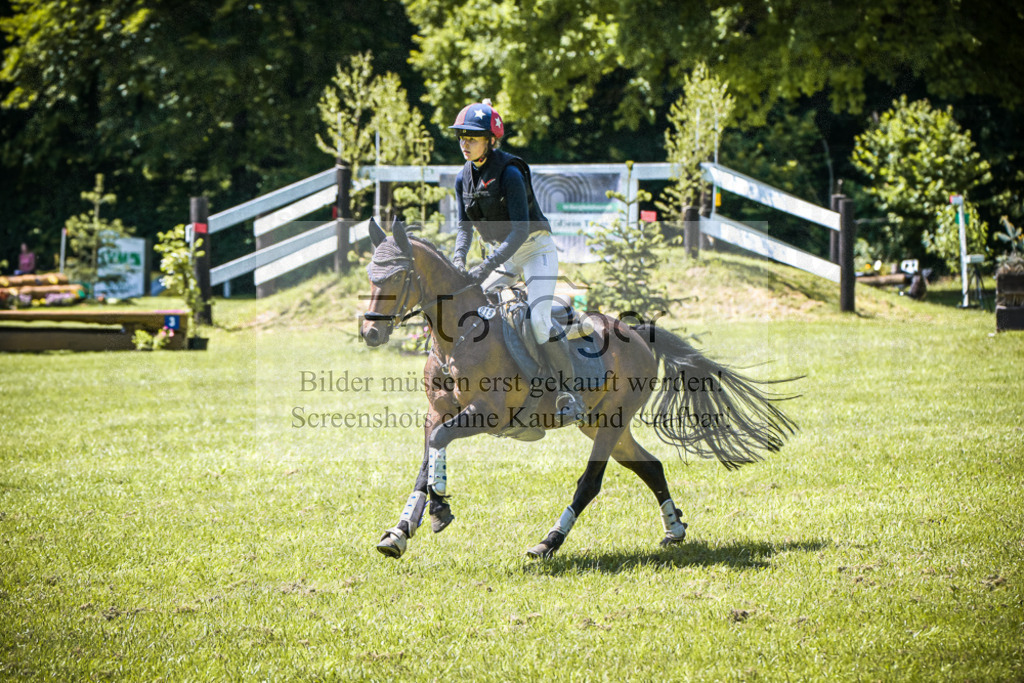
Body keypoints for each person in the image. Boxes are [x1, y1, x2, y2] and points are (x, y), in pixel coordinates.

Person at [450, 100, 586, 422]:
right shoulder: (463, 178)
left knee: (538, 320)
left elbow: (521, 230)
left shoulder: (510, 172)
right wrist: (459, 258)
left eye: (472, 137)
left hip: (534, 249)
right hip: (504, 256)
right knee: (469, 305)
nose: (464, 143)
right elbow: (464, 228)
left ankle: (569, 392)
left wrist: (485, 265)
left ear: (491, 140)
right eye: (461, 137)